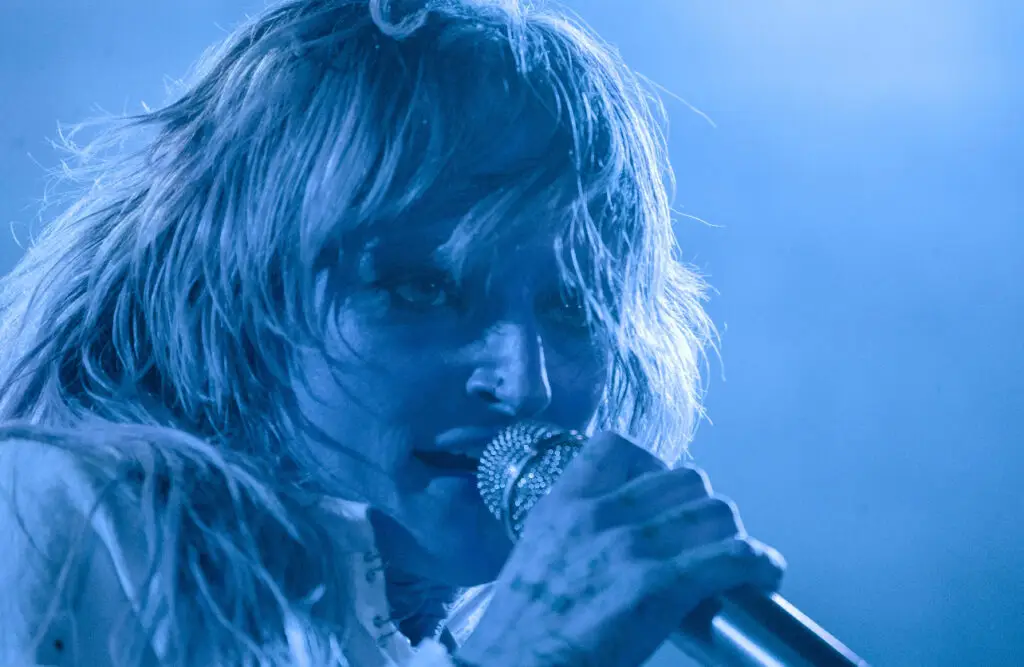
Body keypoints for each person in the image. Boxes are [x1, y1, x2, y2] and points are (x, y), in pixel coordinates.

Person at [0, 0, 786, 665]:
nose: (526, 383)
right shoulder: (50, 513)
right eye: (422, 288)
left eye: (576, 307)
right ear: (230, 294)